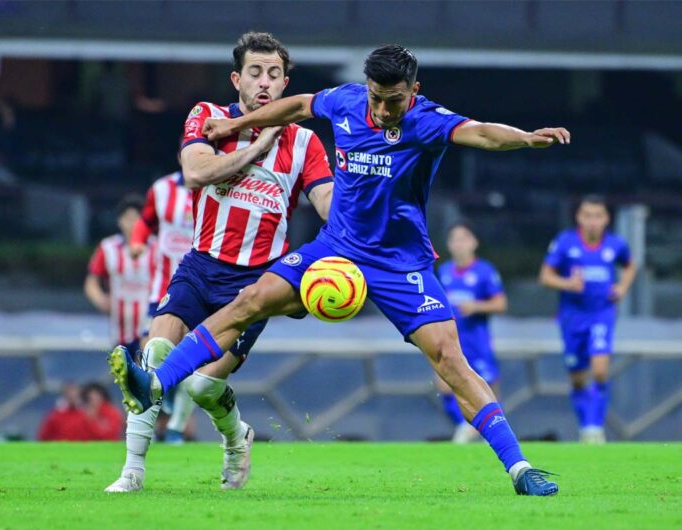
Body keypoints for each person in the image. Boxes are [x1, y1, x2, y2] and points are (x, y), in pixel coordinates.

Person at [110, 44, 569, 496]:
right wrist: (237, 123)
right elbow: (300, 105)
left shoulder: (427, 120)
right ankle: (156, 384)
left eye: (394, 100)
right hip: (336, 248)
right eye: (376, 98)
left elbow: (484, 133)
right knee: (249, 301)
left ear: (414, 91)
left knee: (450, 358)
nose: (384, 110)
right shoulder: (348, 100)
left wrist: (526, 138)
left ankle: (520, 468)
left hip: (400, 263)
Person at [104, 32, 333, 493]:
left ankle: (236, 439)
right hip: (201, 264)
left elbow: (328, 204)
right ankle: (132, 472)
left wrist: (365, 224)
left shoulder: (305, 143)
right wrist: (256, 146)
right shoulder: (207, 117)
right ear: (237, 79)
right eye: (255, 72)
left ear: (286, 83)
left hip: (255, 283)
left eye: (273, 74)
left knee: (202, 389)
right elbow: (195, 172)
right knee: (153, 356)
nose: (264, 82)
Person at [539, 195, 636, 443]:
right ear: (579, 217)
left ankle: (595, 428)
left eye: (598, 216)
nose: (592, 221)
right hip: (572, 317)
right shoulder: (565, 242)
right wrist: (568, 283)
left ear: (606, 219)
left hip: (601, 313)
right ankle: (586, 426)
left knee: (601, 371)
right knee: (578, 377)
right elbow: (546, 277)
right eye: (587, 215)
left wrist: (623, 288)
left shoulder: (615, 245)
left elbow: (629, 265)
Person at [131, 168, 196, 444]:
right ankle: (158, 403)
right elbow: (146, 221)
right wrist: (137, 241)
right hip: (163, 287)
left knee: (195, 362)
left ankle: (175, 429)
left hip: (199, 286)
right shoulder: (161, 189)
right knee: (150, 349)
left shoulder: (220, 183)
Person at [435, 222, 507, 443]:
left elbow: (500, 304)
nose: (459, 243)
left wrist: (476, 307)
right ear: (448, 244)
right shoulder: (444, 272)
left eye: (464, 238)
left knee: (486, 390)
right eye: (455, 239)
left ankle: (490, 433)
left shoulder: (485, 271)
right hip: (451, 341)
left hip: (478, 343)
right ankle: (465, 429)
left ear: (474, 242)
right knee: (445, 387)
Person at [84, 194, 155, 354]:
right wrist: (101, 300)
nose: (132, 224)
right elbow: (91, 282)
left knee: (147, 373)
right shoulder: (108, 248)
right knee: (123, 374)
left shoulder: (156, 248)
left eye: (136, 218)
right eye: (127, 218)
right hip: (119, 331)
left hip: (150, 329)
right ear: (119, 221)